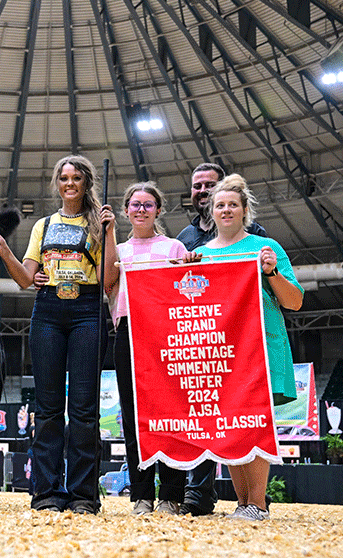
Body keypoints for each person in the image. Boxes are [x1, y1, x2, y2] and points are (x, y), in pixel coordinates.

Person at [0, 155, 116, 513]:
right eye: (63, 178)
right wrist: (3, 250)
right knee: (46, 409)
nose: (69, 183)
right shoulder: (43, 225)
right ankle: (46, 491)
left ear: (86, 183)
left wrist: (109, 232)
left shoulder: (100, 224)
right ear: (57, 184)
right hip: (47, 311)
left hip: (88, 311)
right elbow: (26, 278)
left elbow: (108, 281)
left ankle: (83, 495)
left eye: (76, 177)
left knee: (84, 410)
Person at [196, 174, 303, 521]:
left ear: (245, 210)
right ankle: (241, 502)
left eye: (232, 204)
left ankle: (258, 503)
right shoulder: (197, 255)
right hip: (217, 352)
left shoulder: (265, 249)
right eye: (220, 205)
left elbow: (295, 301)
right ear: (211, 212)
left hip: (260, 349)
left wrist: (272, 273)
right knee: (227, 426)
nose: (226, 210)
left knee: (255, 422)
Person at [174, 162, 269, 516]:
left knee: (243, 420)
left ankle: (256, 499)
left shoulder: (255, 234)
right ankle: (199, 495)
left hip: (242, 341)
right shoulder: (184, 237)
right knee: (206, 420)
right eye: (197, 186)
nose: (203, 191)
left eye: (209, 186)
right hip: (201, 343)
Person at [103, 182, 200, 516]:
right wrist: (109, 235)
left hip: (165, 333)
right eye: (134, 204)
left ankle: (171, 495)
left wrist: (189, 264)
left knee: (171, 415)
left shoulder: (173, 247)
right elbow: (106, 284)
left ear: (158, 209)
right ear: (125, 210)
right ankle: (141, 495)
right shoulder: (118, 250)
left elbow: (188, 290)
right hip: (127, 332)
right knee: (132, 417)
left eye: (148, 204)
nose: (141, 210)